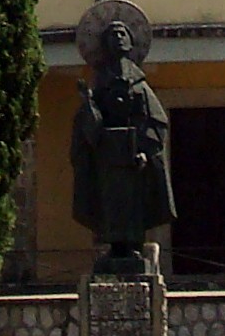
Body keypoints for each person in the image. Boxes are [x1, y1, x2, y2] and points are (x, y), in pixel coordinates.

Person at [71, 18, 176, 274]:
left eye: (122, 33)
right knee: (110, 203)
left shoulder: (139, 85)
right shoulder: (99, 86)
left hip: (133, 157)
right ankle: (115, 247)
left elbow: (156, 120)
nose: (118, 38)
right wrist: (89, 107)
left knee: (133, 203)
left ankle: (132, 247)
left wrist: (143, 148)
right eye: (112, 35)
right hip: (107, 158)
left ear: (131, 43)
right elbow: (88, 126)